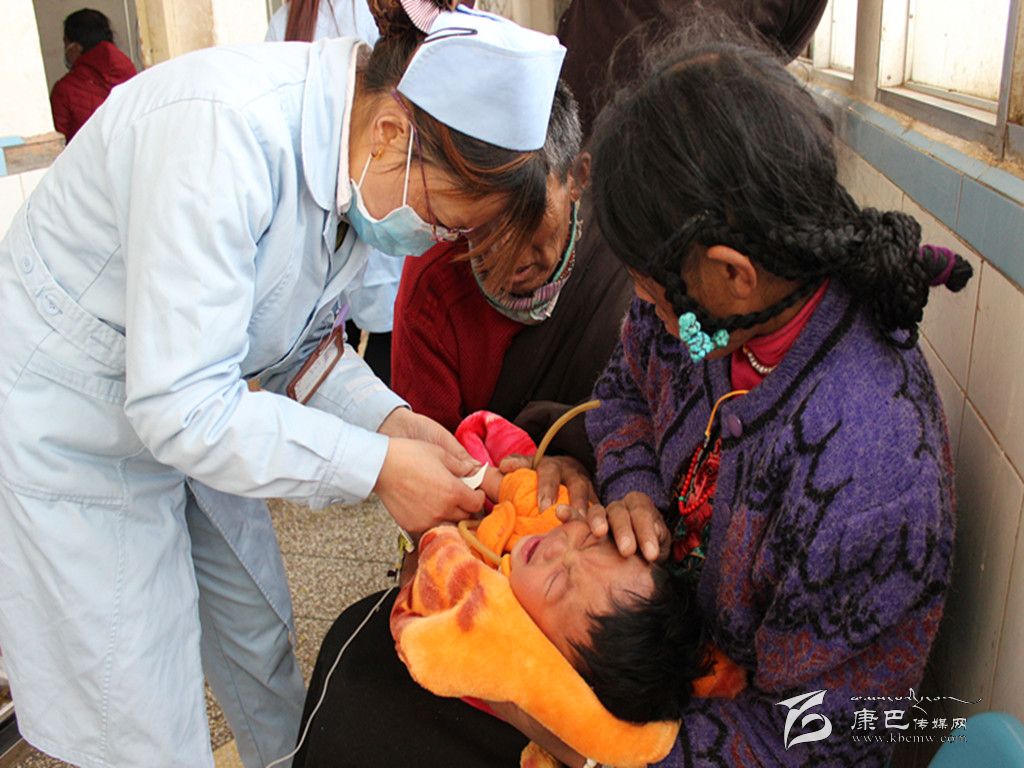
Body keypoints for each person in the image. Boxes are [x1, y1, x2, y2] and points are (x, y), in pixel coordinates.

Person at [0, 2, 566, 767]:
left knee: (254, 625)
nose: (431, 241)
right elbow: (181, 405)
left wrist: (391, 424)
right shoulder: (221, 135)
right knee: (137, 703)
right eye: (442, 219)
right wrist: (379, 469)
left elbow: (301, 349)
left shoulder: (356, 162)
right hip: (79, 419)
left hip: (200, 397)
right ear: (392, 133)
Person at [525, 24, 971, 767]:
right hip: (653, 658)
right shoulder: (709, 315)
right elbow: (626, 385)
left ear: (733, 274)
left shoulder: (870, 475)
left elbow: (809, 743)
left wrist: (591, 742)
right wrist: (631, 483)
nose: (643, 304)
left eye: (648, 287)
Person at [49, 8, 137, 142]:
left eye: (65, 43)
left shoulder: (64, 90)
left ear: (76, 47)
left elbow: (59, 142)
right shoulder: (131, 73)